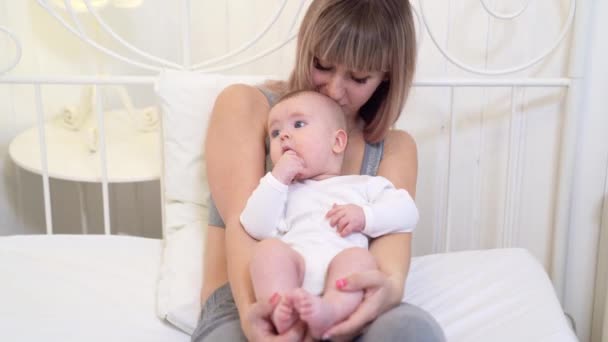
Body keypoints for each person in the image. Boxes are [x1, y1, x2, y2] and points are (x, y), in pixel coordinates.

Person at [193, 0, 446, 341]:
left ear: (386, 76)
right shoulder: (248, 107)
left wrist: (374, 299)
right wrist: (261, 321)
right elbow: (246, 227)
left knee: (412, 330)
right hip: (252, 299)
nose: (333, 89)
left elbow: (390, 265)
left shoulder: (394, 148)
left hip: (345, 300)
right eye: (322, 65)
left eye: (358, 77)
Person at [240, 90, 420, 340]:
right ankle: (283, 309)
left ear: (337, 142)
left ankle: (330, 310)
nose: (284, 136)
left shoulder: (363, 185)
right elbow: (255, 226)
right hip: (296, 273)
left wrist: (365, 216)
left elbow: (407, 212)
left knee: (359, 259)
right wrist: (277, 179)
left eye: (298, 124)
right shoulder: (283, 192)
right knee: (267, 252)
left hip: (341, 272)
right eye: (275, 133)